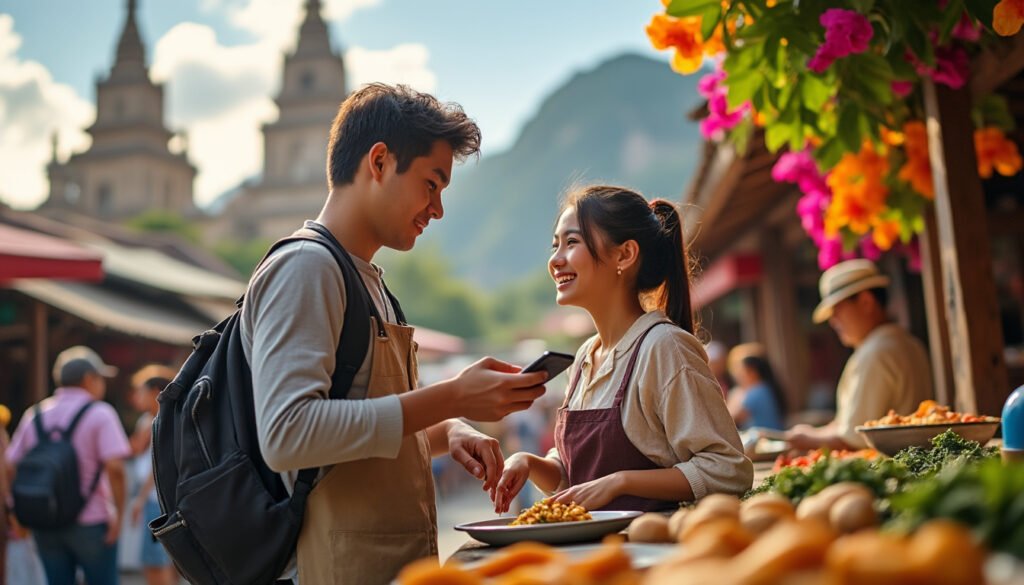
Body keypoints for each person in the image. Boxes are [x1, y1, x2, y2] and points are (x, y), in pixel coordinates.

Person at [241, 83, 548, 585]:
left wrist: (447, 432)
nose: (438, 209)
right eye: (432, 183)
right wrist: (450, 398)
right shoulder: (306, 268)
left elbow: (355, 436)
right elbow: (288, 434)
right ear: (379, 162)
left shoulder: (368, 281)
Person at [492, 186, 753, 514]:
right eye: (555, 244)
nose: (555, 260)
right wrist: (527, 462)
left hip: (655, 551)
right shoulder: (587, 356)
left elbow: (728, 469)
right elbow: (577, 477)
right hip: (595, 557)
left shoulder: (664, 347)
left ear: (625, 255)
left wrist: (622, 482)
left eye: (571, 242)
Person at [6, 346, 131, 585]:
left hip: (44, 519)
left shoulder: (35, 414)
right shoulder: (100, 413)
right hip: (92, 521)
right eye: (100, 378)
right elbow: (115, 468)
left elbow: (10, 465)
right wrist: (119, 515)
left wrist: (16, 509)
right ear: (88, 379)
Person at [786, 259, 932, 450]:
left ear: (866, 302)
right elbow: (847, 426)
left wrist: (808, 438)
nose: (833, 321)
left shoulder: (877, 352)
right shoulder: (904, 342)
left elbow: (852, 440)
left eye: (837, 310)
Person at [127, 365, 177, 585]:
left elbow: (157, 467)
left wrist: (138, 499)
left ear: (157, 391)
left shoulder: (162, 421)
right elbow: (134, 449)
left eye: (141, 391)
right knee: (169, 560)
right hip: (160, 498)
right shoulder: (151, 420)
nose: (136, 397)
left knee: (155, 562)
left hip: (156, 499)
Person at [726, 348, 787, 431]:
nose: (738, 376)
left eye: (741, 372)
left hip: (766, 438)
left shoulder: (756, 391)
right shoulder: (765, 387)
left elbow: (730, 418)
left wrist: (736, 395)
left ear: (752, 372)